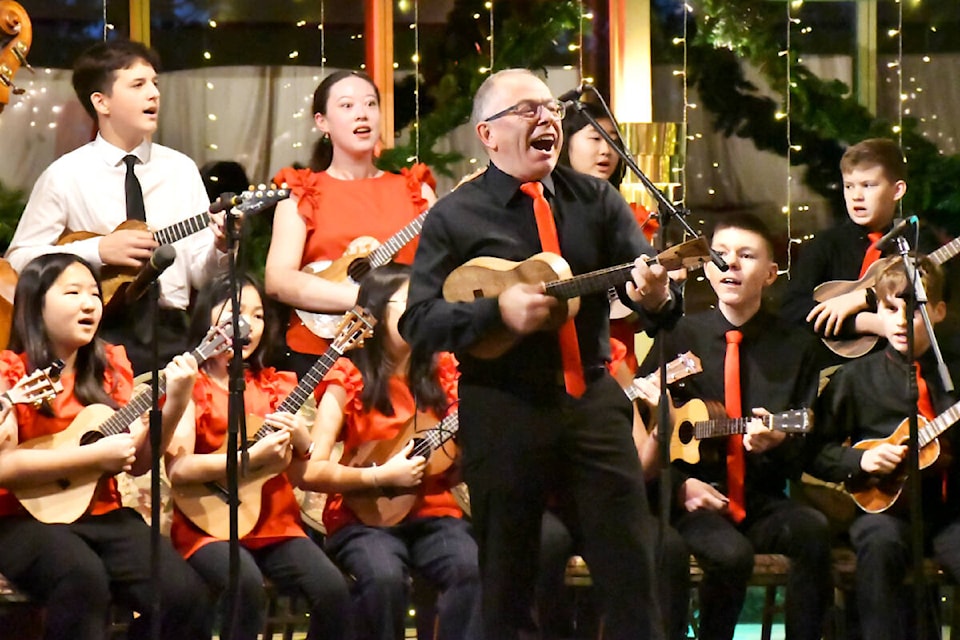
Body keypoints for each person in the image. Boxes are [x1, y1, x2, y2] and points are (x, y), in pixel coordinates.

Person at [399, 68, 680, 640]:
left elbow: (652, 297)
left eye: (551, 108)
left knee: (632, 568)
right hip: (504, 407)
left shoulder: (596, 199)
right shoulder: (454, 216)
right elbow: (417, 321)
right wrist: (495, 314)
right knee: (508, 580)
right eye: (527, 110)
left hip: (594, 401)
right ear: (488, 134)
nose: (547, 118)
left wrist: (657, 295)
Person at [637, 213, 832, 640]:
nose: (731, 266)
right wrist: (680, 485)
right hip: (693, 500)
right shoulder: (679, 334)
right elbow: (638, 420)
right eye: (721, 255)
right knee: (730, 555)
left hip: (759, 499)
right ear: (707, 267)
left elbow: (807, 446)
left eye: (747, 256)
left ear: (770, 274)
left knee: (813, 531)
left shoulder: (797, 348)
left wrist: (778, 441)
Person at [0, 253, 211, 640]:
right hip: (19, 520)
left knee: (184, 595)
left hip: (104, 514)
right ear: (35, 303)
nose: (89, 303)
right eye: (73, 292)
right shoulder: (10, 371)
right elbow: (3, 466)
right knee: (83, 578)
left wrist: (177, 401)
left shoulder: (111, 369)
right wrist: (90, 456)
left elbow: (140, 464)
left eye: (94, 295)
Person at [4, 39, 227, 375]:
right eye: (137, 85)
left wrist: (220, 248)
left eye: (155, 83)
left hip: (169, 330)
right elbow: (19, 260)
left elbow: (199, 271)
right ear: (101, 101)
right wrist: (98, 249)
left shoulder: (181, 170)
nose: (153, 94)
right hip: (96, 332)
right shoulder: (65, 175)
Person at [289, 263, 482, 640]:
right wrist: (380, 476)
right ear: (374, 312)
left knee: (471, 567)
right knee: (383, 577)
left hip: (433, 511)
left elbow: (463, 454)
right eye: (408, 303)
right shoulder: (347, 376)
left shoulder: (444, 371)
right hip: (362, 519)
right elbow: (312, 471)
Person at [164, 273, 352, 640]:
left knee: (332, 590)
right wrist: (247, 459)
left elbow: (299, 474)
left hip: (275, 523)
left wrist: (303, 442)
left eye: (259, 315)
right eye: (236, 311)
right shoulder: (191, 385)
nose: (248, 323)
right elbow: (180, 469)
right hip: (208, 526)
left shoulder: (276, 385)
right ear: (208, 317)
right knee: (245, 586)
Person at [808, 256, 960, 640]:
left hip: (950, 512)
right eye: (891, 309)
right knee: (879, 544)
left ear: (939, 311)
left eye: (917, 310)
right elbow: (813, 452)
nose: (901, 320)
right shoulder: (855, 378)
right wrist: (861, 459)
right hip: (885, 511)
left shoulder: (953, 375)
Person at [265, 70, 436, 379]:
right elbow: (278, 279)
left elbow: (441, 272)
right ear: (322, 122)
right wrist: (369, 301)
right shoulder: (304, 192)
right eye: (347, 106)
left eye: (370, 104)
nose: (362, 114)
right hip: (322, 357)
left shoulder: (416, 191)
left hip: (404, 357)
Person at [781, 138, 927, 364]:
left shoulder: (916, 240)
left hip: (906, 366)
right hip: (837, 368)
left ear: (897, 190)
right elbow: (792, 310)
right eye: (849, 186)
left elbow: (932, 299)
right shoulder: (827, 244)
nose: (856, 196)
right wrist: (866, 322)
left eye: (868, 185)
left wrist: (867, 296)